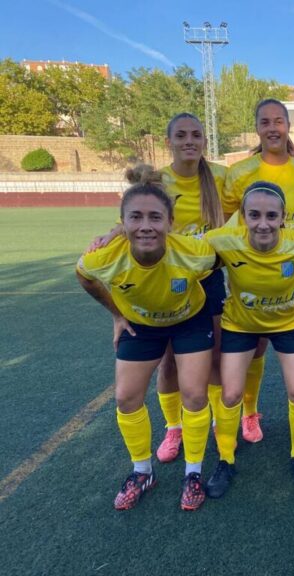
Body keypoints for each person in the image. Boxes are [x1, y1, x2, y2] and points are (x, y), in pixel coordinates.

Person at [88, 113, 227, 464]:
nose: (189, 141)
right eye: (181, 135)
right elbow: (136, 215)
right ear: (170, 142)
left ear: (205, 141)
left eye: (196, 135)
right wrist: (115, 232)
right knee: (168, 363)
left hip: (205, 272)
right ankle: (173, 426)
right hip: (165, 271)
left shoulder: (221, 177)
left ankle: (207, 419)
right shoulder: (157, 179)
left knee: (211, 356)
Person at [76, 166, 216, 510]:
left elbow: (216, 269)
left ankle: (193, 472)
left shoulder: (195, 253)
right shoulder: (103, 256)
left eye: (155, 217)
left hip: (189, 320)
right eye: (135, 217)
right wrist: (116, 315)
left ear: (170, 222)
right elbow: (85, 277)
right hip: (141, 325)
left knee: (196, 394)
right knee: (125, 397)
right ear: (121, 222)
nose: (146, 226)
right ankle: (142, 471)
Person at [204, 182, 294, 496]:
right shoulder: (223, 241)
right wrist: (120, 232)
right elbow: (176, 245)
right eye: (254, 215)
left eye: (271, 215)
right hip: (241, 325)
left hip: (288, 324)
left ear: (283, 217)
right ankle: (225, 459)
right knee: (230, 395)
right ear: (242, 216)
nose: (263, 223)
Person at [222, 98, 294, 444]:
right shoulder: (240, 172)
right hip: (253, 270)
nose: (272, 128)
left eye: (278, 121)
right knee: (254, 347)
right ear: (257, 128)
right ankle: (249, 415)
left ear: (288, 126)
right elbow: (226, 223)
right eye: (265, 122)